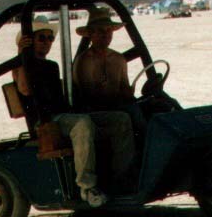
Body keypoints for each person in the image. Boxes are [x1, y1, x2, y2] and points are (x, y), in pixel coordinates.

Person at [13, 20, 135, 207]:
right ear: (30, 41)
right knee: (82, 124)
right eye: (41, 38)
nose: (47, 42)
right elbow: (24, 88)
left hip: (63, 116)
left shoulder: (51, 66)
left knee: (120, 119)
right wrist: (22, 54)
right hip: (46, 122)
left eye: (50, 38)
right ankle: (88, 187)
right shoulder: (22, 66)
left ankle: (121, 179)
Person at [73, 6, 148, 138]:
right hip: (92, 112)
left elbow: (124, 89)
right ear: (91, 34)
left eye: (109, 30)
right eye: (101, 31)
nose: (106, 34)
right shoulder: (84, 60)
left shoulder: (118, 59)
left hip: (115, 106)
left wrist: (128, 93)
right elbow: (89, 96)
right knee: (129, 115)